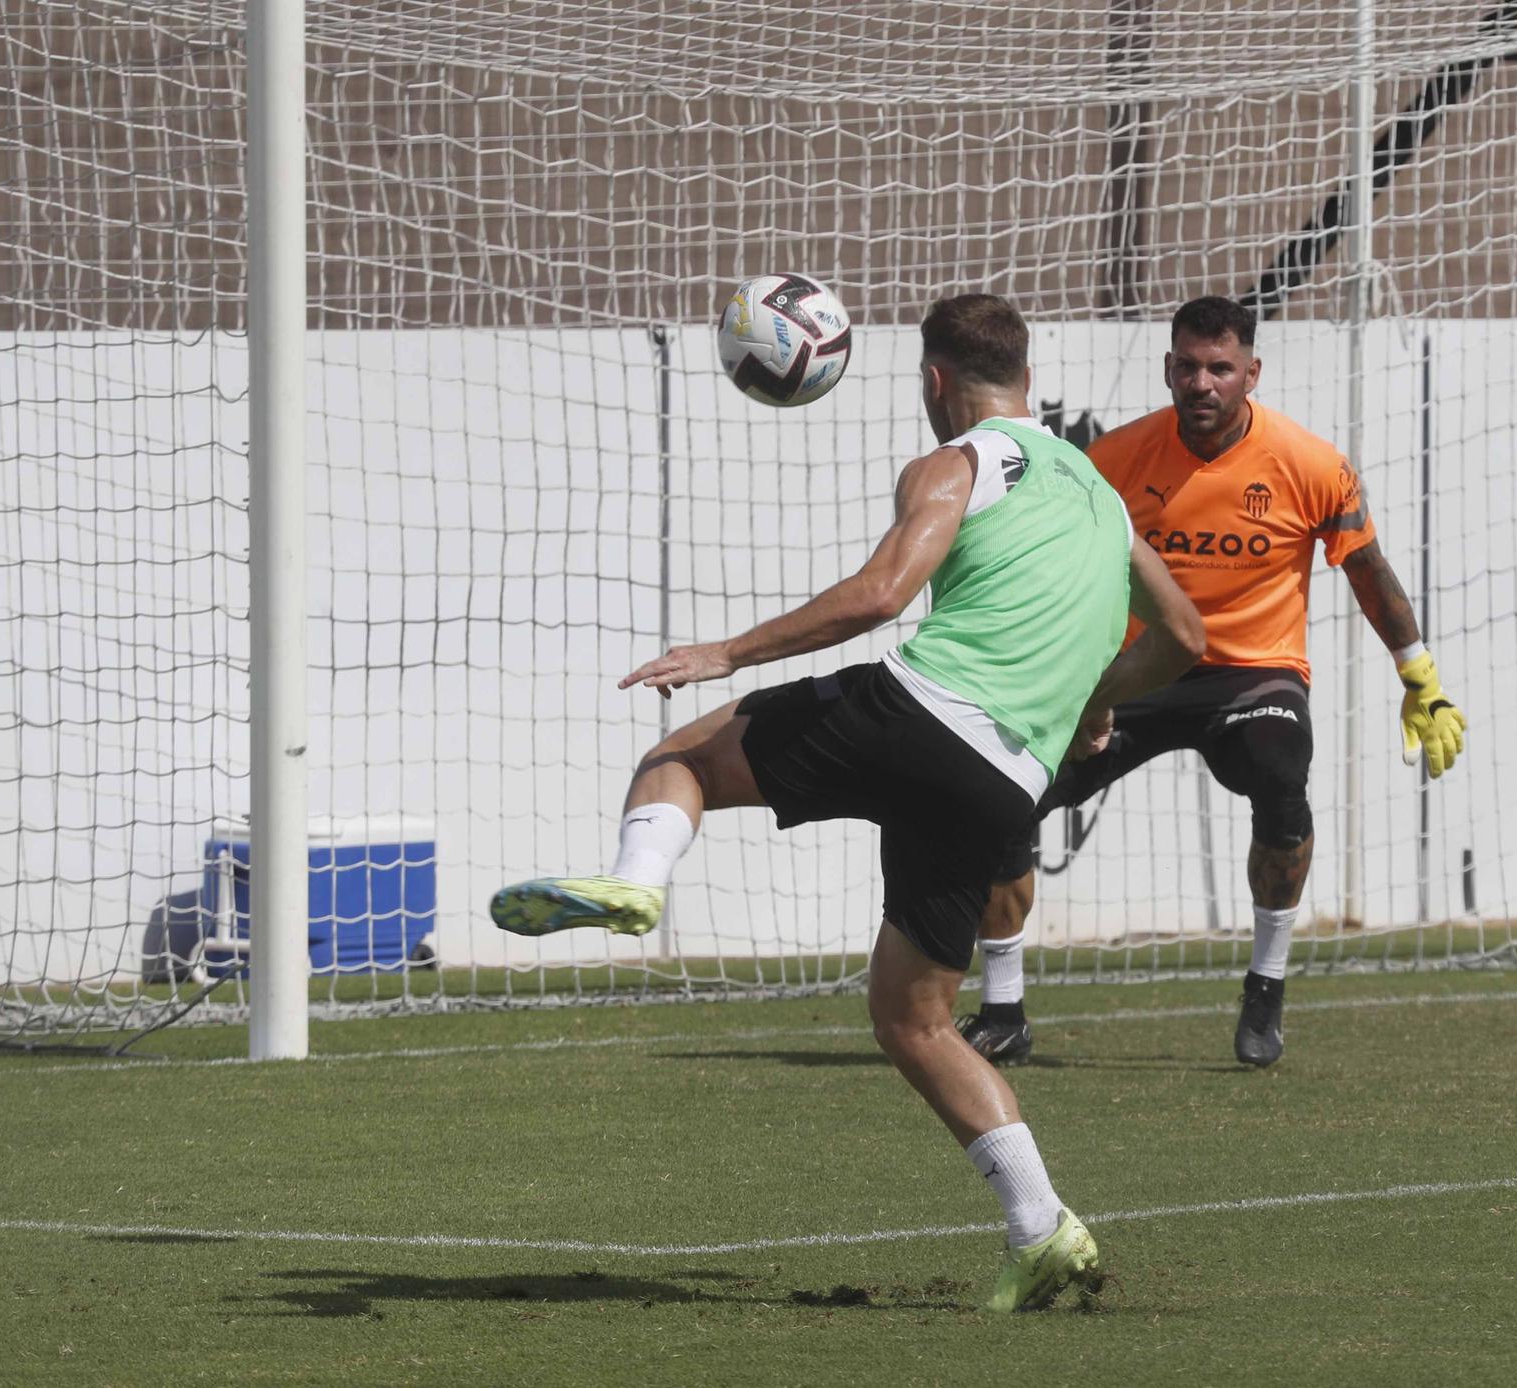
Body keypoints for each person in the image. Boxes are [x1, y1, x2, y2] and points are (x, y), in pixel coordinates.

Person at [489, 293, 1205, 1312]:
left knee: (681, 753)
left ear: (934, 382)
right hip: (1006, 778)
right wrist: (1090, 700)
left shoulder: (957, 462)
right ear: (1029, 377)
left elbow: (879, 594)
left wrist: (723, 652)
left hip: (918, 713)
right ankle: (1042, 1228)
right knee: (914, 1018)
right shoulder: (1097, 490)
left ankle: (637, 883)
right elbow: (1183, 634)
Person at [957, 295, 1465, 1069]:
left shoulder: (1310, 465)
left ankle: (1265, 989)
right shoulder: (1115, 460)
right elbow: (1063, 572)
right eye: (1188, 366)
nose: (1203, 383)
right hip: (1138, 674)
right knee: (1006, 801)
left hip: (1254, 677)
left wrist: (1418, 673)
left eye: (1221, 368)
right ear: (1168, 368)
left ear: (1251, 374)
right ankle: (1003, 1011)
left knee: (1281, 776)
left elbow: (1367, 569)